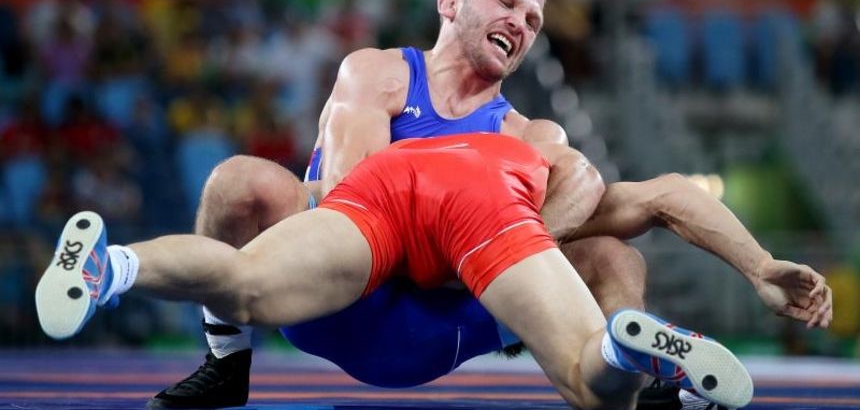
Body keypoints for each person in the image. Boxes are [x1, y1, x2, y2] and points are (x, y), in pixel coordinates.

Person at [160, 0, 671, 407]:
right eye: (507, 2)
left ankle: (637, 382)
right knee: (239, 182)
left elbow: (587, 195)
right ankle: (226, 361)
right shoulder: (376, 73)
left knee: (613, 258)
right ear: (450, 3)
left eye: (534, 20)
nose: (522, 22)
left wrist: (509, 258)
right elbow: (347, 205)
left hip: (438, 327)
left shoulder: (530, 133)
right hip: (333, 295)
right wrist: (462, 247)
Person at [37, 132, 799, 409]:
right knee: (587, 376)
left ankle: (114, 264)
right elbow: (665, 195)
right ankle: (621, 351)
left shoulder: (395, 105)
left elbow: (331, 178)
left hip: (385, 186)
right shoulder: (534, 162)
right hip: (481, 212)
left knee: (243, 281)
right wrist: (759, 267)